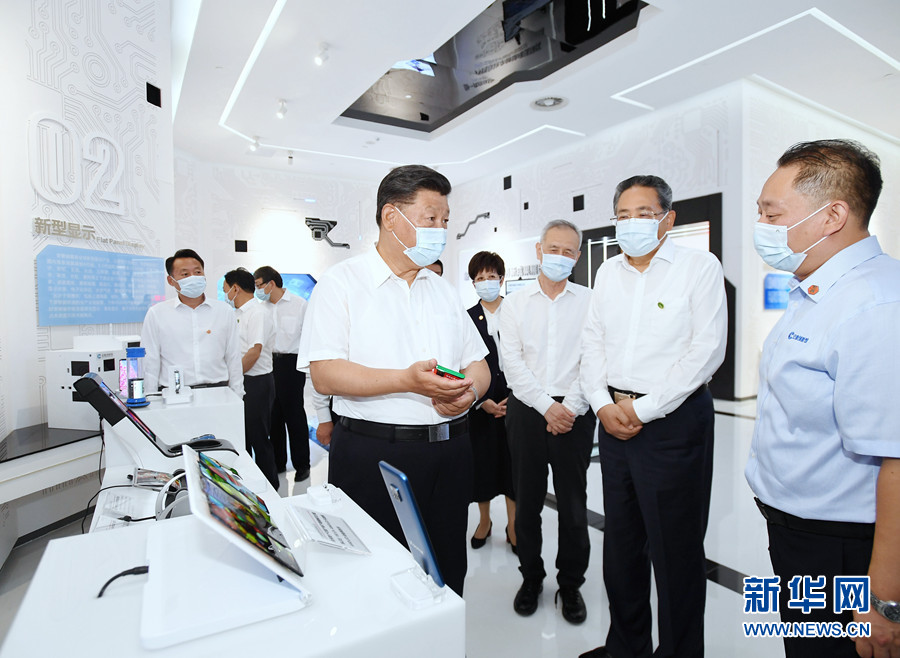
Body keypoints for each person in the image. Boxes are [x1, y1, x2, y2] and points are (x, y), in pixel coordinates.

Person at [297, 164, 490, 596]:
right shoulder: (341, 284)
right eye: (430, 219)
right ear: (391, 217)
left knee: (446, 574)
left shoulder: (442, 290)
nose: (441, 230)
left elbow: (478, 364)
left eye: (445, 220)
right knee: (375, 577)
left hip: (451, 452)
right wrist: (406, 380)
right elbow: (325, 373)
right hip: (375, 454)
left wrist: (470, 393)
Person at [745, 139, 900, 658]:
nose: (762, 226)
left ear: (832, 216)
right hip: (801, 535)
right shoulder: (818, 290)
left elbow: (896, 462)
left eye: (772, 214)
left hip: (843, 550)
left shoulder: (874, 305)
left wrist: (883, 601)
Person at [579, 175, 727, 658]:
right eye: (622, 215)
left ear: (668, 218)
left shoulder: (698, 267)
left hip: (673, 421)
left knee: (675, 550)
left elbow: (706, 351)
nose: (631, 223)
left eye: (643, 213)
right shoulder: (607, 272)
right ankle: (627, 646)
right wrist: (601, 403)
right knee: (621, 544)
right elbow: (592, 342)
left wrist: (641, 408)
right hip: (613, 419)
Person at [498, 219, 596, 624]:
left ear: (577, 257)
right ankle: (532, 578)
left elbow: (595, 360)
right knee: (527, 503)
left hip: (575, 411)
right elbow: (512, 363)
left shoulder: (591, 301)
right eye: (553, 248)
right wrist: (546, 407)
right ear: (539, 251)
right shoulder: (515, 304)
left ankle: (570, 584)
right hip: (527, 410)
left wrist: (568, 407)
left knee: (574, 506)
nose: (560, 256)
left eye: (568, 251)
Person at [465, 251, 516, 553]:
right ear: (473, 283)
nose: (486, 282)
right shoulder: (467, 318)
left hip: (516, 399)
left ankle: (514, 524)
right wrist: (481, 400)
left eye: (491, 277)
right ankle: (484, 521)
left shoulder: (517, 311)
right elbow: (462, 363)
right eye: (480, 278)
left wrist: (517, 397)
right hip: (480, 403)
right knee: (482, 464)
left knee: (514, 466)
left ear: (501, 279)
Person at [141, 248, 242, 397]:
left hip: (218, 391)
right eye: (185, 274)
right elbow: (150, 361)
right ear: (171, 280)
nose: (193, 277)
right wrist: (150, 396)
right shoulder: (157, 313)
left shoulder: (224, 311)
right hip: (174, 394)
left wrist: (237, 394)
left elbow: (233, 356)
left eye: (197, 272)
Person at [253, 266, 311, 485]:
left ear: (271, 283)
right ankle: (278, 463)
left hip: (291, 364)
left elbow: (308, 337)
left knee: (294, 415)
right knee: (273, 416)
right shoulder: (261, 308)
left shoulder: (299, 304)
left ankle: (302, 464)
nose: (258, 290)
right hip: (267, 363)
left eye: (259, 285)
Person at [224, 267, 278, 490]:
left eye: (226, 289)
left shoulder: (258, 313)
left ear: (235, 288)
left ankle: (271, 487)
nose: (225, 294)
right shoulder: (236, 314)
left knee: (259, 438)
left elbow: (254, 352)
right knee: (242, 438)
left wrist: (232, 377)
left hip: (257, 383)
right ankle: (247, 487)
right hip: (241, 381)